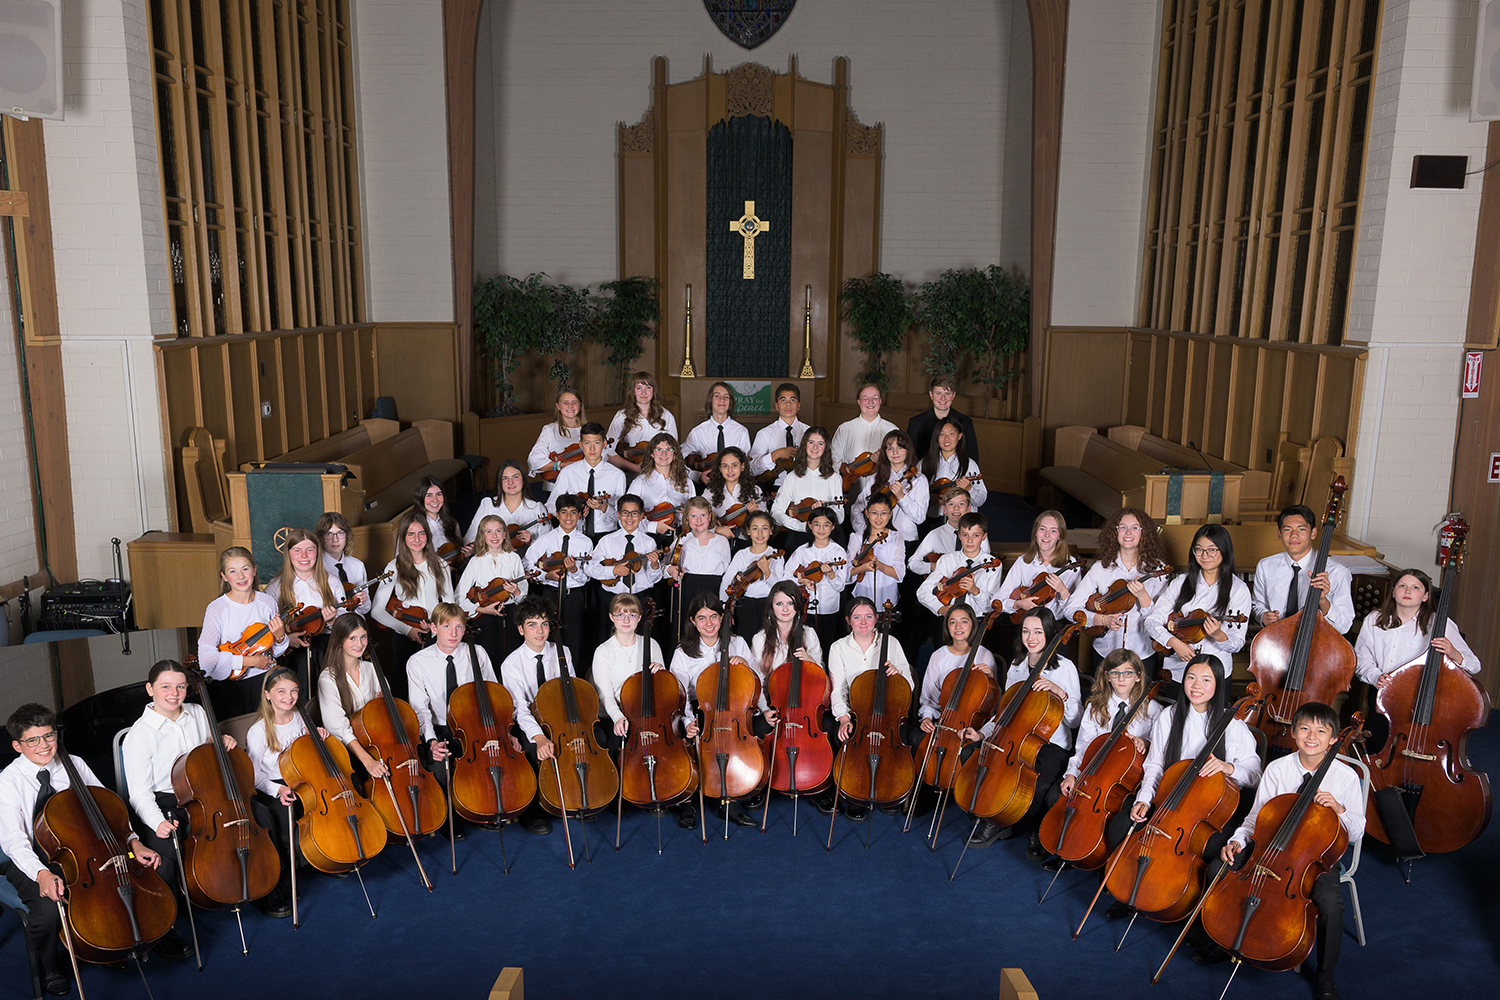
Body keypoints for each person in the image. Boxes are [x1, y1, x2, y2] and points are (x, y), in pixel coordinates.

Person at [1196, 701, 1365, 1000]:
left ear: (1333, 739)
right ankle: (1225, 942)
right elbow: (1256, 818)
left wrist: (1339, 809)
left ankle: (1326, 975)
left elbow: (1357, 832)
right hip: (1269, 846)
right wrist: (1237, 841)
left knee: (1330, 904)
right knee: (1218, 868)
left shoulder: (1346, 776)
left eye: (1321, 731)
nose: (1311, 736)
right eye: (1304, 728)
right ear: (1293, 732)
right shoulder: (1277, 769)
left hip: (1316, 857)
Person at [2, 703, 171, 993]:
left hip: (86, 849)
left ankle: (106, 945)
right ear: (18, 745)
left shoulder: (75, 764)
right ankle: (50, 966)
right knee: (48, 911)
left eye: (49, 736)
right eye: (33, 740)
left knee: (146, 872)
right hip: (33, 857)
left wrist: (134, 842)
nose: (44, 745)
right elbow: (13, 841)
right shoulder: (8, 781)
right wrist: (41, 874)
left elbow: (109, 810)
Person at [1109, 653, 1262, 919]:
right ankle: (1128, 890)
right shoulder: (1169, 716)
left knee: (1211, 851)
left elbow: (1255, 775)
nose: (1196, 685)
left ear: (1218, 685)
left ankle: (1187, 903)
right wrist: (1144, 799)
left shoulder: (1233, 725)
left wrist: (1228, 768)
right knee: (1122, 825)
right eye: (1191, 677)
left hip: (1210, 811)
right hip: (1169, 798)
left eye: (1206, 679)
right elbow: (1155, 764)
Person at [121, 660, 255, 943]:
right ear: (150, 689)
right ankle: (164, 928)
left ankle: (252, 886)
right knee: (163, 860)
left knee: (257, 816)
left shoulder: (197, 712)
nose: (174, 693)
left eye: (180, 686)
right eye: (166, 687)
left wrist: (221, 740)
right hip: (165, 802)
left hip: (204, 790)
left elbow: (208, 747)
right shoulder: (139, 735)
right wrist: (157, 822)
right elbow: (139, 794)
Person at [966, 609, 1082, 858]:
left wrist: (1061, 693)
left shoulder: (1065, 668)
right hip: (1016, 737)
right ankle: (997, 821)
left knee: (1038, 785)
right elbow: (1005, 712)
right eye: (1026, 631)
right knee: (992, 768)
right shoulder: (1017, 666)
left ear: (1049, 633)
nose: (1031, 638)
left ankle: (1036, 830)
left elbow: (1075, 721)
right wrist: (983, 734)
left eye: (1038, 632)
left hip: (1050, 743)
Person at [592, 594, 699, 827]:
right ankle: (627, 791)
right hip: (621, 711)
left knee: (677, 736)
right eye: (620, 614)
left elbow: (664, 688)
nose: (626, 620)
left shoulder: (651, 644)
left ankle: (681, 797)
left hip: (653, 711)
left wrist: (661, 672)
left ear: (640, 618)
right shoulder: (603, 651)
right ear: (611, 617)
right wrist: (618, 717)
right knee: (617, 738)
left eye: (631, 614)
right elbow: (605, 695)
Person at [1051, 649, 1160, 864]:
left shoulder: (1153, 710)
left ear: (1138, 676)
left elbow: (1158, 752)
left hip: (1127, 781)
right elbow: (1083, 747)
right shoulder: (1095, 705)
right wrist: (1071, 774)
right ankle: (1065, 848)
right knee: (1057, 797)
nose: (1121, 678)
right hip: (1095, 773)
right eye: (1115, 673)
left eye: (1128, 673)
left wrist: (1145, 742)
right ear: (1107, 676)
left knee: (1115, 814)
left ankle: (1102, 857)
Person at [1353, 568, 1480, 750]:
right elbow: (1361, 658)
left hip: (1421, 698)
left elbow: (1474, 665)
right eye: (1402, 586)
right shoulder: (1374, 619)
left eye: (1415, 588)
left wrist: (1453, 653)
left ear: (1425, 596)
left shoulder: (1439, 622)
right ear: (1393, 592)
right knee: (1375, 746)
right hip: (1383, 695)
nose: (1407, 591)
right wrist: (1375, 676)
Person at [406, 603, 503, 839]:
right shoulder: (418, 661)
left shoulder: (477, 653)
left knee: (487, 759)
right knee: (440, 766)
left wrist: (499, 732)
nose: (453, 633)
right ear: (433, 628)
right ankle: (450, 819)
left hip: (474, 726)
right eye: (447, 626)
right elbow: (420, 709)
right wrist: (431, 741)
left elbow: (493, 693)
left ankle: (482, 809)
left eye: (459, 627)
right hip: (439, 728)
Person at [821, 597, 914, 821]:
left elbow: (909, 684)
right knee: (844, 736)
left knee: (896, 743)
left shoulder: (891, 643)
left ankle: (888, 790)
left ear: (877, 619)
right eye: (857, 617)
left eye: (868, 616)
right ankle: (856, 795)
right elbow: (838, 689)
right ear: (848, 620)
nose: (863, 622)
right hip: (856, 713)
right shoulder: (839, 647)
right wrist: (844, 718)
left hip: (888, 712)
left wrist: (898, 674)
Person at [669, 593, 756, 828]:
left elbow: (754, 682)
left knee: (741, 736)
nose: (709, 623)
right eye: (702, 618)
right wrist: (687, 722)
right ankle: (686, 802)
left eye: (714, 617)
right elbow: (680, 695)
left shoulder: (737, 643)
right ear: (693, 621)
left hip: (733, 706)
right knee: (683, 734)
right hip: (699, 708)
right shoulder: (683, 652)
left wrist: (746, 667)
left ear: (722, 618)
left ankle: (729, 802)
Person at [499, 596, 582, 836]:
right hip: (530, 721)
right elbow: (519, 708)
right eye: (532, 624)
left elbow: (572, 691)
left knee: (593, 739)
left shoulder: (562, 652)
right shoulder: (511, 664)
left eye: (544, 624)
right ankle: (533, 810)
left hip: (561, 717)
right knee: (529, 751)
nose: (540, 631)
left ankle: (577, 797)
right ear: (521, 629)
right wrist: (539, 737)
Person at [243, 668, 324, 902]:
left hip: (302, 777)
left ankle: (322, 855)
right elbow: (254, 776)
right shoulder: (258, 731)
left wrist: (319, 734)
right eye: (281, 691)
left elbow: (309, 751)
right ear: (267, 694)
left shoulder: (301, 716)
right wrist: (277, 790)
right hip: (273, 785)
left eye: (294, 691)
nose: (289, 697)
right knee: (282, 816)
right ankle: (286, 874)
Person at [1062, 507, 1170, 663]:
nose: (1128, 532)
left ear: (1144, 533)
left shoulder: (1158, 570)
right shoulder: (1101, 568)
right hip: (1105, 652)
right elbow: (1070, 609)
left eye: (1135, 528)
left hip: (1143, 653)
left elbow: (1161, 619)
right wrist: (1102, 620)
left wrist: (1143, 597)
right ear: (1115, 532)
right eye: (1123, 527)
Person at [1146, 524, 1251, 683]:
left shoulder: (1238, 589)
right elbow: (1151, 621)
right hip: (1177, 672)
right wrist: (1174, 643)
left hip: (1215, 675)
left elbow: (1237, 643)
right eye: (1199, 549)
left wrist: (1218, 635)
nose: (1205, 555)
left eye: (1212, 549)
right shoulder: (1180, 582)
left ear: (1224, 551)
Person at [198, 546, 290, 716]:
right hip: (231, 688)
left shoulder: (267, 602)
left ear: (254, 570)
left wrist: (280, 638)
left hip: (265, 682)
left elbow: (272, 653)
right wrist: (250, 661)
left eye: (245, 569)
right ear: (224, 576)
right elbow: (206, 659)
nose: (240, 576)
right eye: (233, 571)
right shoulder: (217, 608)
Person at [372, 510, 454, 691]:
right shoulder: (393, 567)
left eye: (421, 533)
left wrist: (437, 626)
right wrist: (406, 629)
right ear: (403, 537)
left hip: (435, 634)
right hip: (405, 636)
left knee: (436, 688)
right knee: (405, 688)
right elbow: (376, 610)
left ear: (428, 536)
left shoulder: (440, 564)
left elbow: (450, 604)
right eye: (411, 534)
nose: (416, 539)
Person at [268, 527, 344, 708]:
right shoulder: (275, 586)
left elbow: (346, 621)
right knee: (298, 700)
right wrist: (286, 639)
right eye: (297, 550)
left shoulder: (332, 582)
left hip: (326, 649)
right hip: (292, 653)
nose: (304, 555)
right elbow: (268, 625)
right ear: (288, 554)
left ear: (318, 552)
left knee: (329, 699)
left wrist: (332, 621)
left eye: (310, 550)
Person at [1251, 503, 1355, 634]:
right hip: (1276, 639)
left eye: (1301, 529)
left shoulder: (1337, 572)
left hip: (1318, 641)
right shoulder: (1266, 566)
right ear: (1279, 534)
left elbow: (1344, 626)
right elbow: (1257, 605)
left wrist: (1323, 601)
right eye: (1287, 529)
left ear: (1313, 533)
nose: (1294, 535)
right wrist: (1263, 616)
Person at [316, 613, 393, 788]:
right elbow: (340, 729)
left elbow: (387, 706)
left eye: (363, 637)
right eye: (352, 638)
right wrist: (368, 761)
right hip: (349, 751)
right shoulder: (328, 679)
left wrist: (381, 705)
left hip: (376, 740)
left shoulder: (371, 668)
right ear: (339, 641)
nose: (360, 644)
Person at [523, 493, 593, 674]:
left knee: (574, 639)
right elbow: (527, 563)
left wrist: (574, 570)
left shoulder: (586, 542)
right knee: (549, 637)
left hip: (574, 596)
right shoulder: (546, 539)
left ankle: (572, 678)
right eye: (564, 512)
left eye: (573, 512)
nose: (568, 517)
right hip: (550, 594)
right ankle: (550, 676)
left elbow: (586, 577)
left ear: (580, 515)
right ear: (556, 514)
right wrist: (546, 576)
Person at [456, 514, 530, 667]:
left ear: (505, 534)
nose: (494, 536)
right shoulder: (476, 561)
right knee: (488, 659)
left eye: (498, 531)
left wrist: (516, 592)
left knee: (512, 657)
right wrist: (481, 609)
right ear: (482, 535)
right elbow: (459, 597)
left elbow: (523, 595)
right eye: (488, 532)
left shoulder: (514, 558)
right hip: (485, 618)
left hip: (511, 615)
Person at [588, 494, 664, 643]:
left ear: (641, 516)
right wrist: (612, 571)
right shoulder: (606, 541)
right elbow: (590, 569)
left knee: (641, 642)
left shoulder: (649, 542)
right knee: (611, 642)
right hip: (613, 600)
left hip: (640, 599)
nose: (629, 518)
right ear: (618, 515)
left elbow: (652, 579)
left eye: (634, 513)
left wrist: (655, 566)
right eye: (625, 513)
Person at [664, 498, 732, 647]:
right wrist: (670, 570)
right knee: (687, 631)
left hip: (714, 591)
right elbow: (666, 565)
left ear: (710, 516)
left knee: (712, 630)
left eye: (702, 515)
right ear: (687, 518)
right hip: (688, 591)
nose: (698, 520)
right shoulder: (682, 540)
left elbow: (727, 573)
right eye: (693, 516)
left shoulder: (722, 541)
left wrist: (725, 602)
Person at [786, 507, 851, 655]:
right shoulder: (802, 551)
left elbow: (841, 586)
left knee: (826, 646)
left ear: (833, 527)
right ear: (809, 525)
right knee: (806, 647)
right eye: (817, 524)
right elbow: (786, 576)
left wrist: (831, 574)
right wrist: (802, 580)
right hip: (805, 608)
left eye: (826, 525)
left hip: (829, 608)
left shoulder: (838, 552)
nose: (821, 529)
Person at [993, 510, 1079, 621]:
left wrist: (1063, 591)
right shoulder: (1023, 561)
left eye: (1053, 531)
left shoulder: (1072, 566)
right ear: (1035, 533)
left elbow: (1076, 611)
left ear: (1060, 536)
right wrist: (1018, 604)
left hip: (1056, 625)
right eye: (1042, 529)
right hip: (1026, 622)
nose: (1047, 535)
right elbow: (997, 599)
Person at [849, 430, 929, 545]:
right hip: (876, 541)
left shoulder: (919, 480)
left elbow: (920, 518)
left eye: (900, 447)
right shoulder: (876, 478)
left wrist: (901, 497)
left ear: (908, 450)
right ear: (885, 452)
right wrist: (866, 532)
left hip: (906, 540)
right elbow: (857, 508)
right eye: (890, 448)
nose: (895, 452)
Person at [771, 426, 844, 550]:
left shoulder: (834, 478)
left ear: (826, 447)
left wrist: (825, 519)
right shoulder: (792, 477)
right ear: (804, 445)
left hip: (828, 537)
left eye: (820, 443)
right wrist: (801, 526)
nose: (815, 447)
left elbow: (840, 515)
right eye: (811, 442)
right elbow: (776, 512)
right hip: (799, 537)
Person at [918, 512, 1003, 619]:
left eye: (976, 535)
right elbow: (922, 591)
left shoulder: (993, 565)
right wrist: (940, 608)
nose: (970, 540)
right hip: (949, 618)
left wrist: (975, 591)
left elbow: (990, 607)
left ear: (984, 537)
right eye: (965, 535)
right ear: (959, 536)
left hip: (977, 620)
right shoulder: (947, 560)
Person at [551, 422, 628, 539]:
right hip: (576, 533)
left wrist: (605, 508)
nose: (592, 448)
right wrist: (572, 512)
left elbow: (623, 517)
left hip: (607, 535)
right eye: (587, 443)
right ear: (580, 445)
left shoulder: (617, 475)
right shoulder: (568, 472)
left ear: (604, 444)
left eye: (597, 443)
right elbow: (551, 505)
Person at [720, 511, 785, 641]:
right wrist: (724, 608)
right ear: (748, 531)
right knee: (744, 640)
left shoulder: (776, 555)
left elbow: (779, 586)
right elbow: (727, 581)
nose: (760, 533)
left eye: (764, 528)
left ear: (771, 531)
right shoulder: (742, 554)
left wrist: (766, 570)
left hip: (768, 605)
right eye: (755, 528)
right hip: (745, 605)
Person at [465, 459, 551, 548]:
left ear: (523, 480)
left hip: (526, 556)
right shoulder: (488, 504)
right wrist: (473, 547)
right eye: (505, 478)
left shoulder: (537, 508)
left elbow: (547, 544)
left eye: (515, 477)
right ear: (500, 482)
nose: (510, 482)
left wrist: (530, 542)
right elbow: (471, 535)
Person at [606, 372, 678, 475]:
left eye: (648, 388)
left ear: (653, 391)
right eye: (639, 388)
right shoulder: (621, 416)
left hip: (662, 471)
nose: (643, 393)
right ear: (633, 391)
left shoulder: (666, 415)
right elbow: (607, 451)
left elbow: (674, 449)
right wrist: (633, 467)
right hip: (633, 471)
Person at [908, 487, 988, 578]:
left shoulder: (978, 533)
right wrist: (933, 566)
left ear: (969, 509)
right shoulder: (935, 535)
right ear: (944, 509)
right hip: (944, 584)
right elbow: (913, 563)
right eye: (951, 504)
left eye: (961, 504)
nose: (956, 508)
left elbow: (986, 559)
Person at [682, 381, 751, 480]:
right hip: (707, 484)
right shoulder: (697, 432)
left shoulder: (741, 432)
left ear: (730, 402)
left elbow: (745, 465)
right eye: (717, 396)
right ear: (710, 400)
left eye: (726, 397)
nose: (722, 400)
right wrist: (696, 476)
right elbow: (677, 459)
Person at [630, 433, 694, 537]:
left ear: (674, 454)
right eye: (659, 449)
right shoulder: (639, 482)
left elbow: (695, 516)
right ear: (652, 453)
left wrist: (686, 516)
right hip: (648, 537)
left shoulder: (687, 483)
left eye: (669, 450)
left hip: (679, 536)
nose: (664, 454)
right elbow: (626, 519)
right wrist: (653, 527)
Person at [848, 493, 906, 607]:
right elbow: (847, 573)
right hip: (863, 593)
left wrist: (880, 566)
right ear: (867, 513)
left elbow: (899, 573)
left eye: (883, 513)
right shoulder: (857, 537)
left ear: (890, 514)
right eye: (874, 513)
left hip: (888, 595)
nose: (879, 517)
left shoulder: (896, 537)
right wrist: (862, 568)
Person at [919, 416, 987, 513]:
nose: (947, 438)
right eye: (942, 434)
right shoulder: (924, 463)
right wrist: (929, 498)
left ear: (959, 436)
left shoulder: (970, 464)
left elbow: (980, 501)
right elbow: (913, 496)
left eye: (951, 434)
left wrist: (969, 489)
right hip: (933, 518)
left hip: (962, 518)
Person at [906, 375, 979, 463]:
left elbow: (972, 458)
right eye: (938, 393)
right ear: (931, 395)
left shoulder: (965, 422)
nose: (943, 398)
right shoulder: (916, 423)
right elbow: (910, 457)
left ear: (953, 395)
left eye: (947, 394)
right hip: (924, 470)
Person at [749, 382, 808, 487]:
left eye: (792, 400)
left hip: (804, 487)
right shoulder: (765, 434)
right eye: (783, 400)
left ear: (798, 405)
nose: (788, 404)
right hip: (775, 488)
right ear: (776, 406)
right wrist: (775, 455)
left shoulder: (809, 432)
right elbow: (752, 469)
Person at [529, 388, 587, 494]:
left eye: (574, 402)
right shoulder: (550, 430)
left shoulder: (588, 430)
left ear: (580, 406)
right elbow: (534, 459)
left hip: (583, 486)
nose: (570, 406)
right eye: (565, 403)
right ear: (558, 406)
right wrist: (560, 465)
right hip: (556, 488)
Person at [830, 383, 897, 470]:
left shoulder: (892, 430)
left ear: (880, 401)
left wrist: (882, 462)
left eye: (875, 398)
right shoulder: (845, 428)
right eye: (865, 398)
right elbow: (834, 460)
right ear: (859, 402)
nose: (870, 402)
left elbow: (898, 464)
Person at [317, 511, 370, 616]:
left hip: (356, 621)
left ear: (347, 535)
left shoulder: (357, 565)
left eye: (340, 533)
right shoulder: (317, 567)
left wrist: (362, 601)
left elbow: (365, 609)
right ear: (321, 537)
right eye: (329, 534)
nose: (335, 540)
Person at [704, 447, 762, 543]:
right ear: (720, 468)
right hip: (717, 541)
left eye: (734, 465)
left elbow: (764, 523)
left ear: (742, 467)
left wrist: (754, 513)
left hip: (747, 542)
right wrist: (717, 529)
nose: (730, 470)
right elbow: (700, 519)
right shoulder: (710, 492)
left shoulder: (755, 491)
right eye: (725, 466)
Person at [414, 476, 470, 562]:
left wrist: (464, 555)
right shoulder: (413, 527)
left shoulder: (452, 523)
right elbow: (404, 561)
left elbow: (457, 556)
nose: (435, 500)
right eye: (429, 495)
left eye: (438, 494)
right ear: (421, 499)